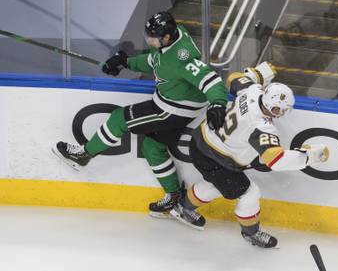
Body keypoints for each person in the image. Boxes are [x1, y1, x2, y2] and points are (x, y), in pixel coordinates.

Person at [52, 11, 228, 218]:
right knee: (152, 147)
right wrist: (125, 62)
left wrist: (218, 103)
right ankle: (174, 197)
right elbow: (155, 61)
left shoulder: (183, 56)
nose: (150, 40)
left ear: (167, 37)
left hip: (171, 109)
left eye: (153, 38)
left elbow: (211, 80)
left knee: (119, 118)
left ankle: (83, 155)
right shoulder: (169, 40)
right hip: (173, 103)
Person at [169, 62, 330, 248]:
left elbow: (233, 78)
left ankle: (183, 206)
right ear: (273, 108)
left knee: (216, 184)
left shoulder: (252, 91)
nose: (283, 113)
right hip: (217, 158)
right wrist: (309, 156)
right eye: (282, 110)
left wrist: (257, 74)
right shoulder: (261, 126)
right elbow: (276, 161)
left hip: (201, 141)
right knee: (249, 193)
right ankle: (251, 233)